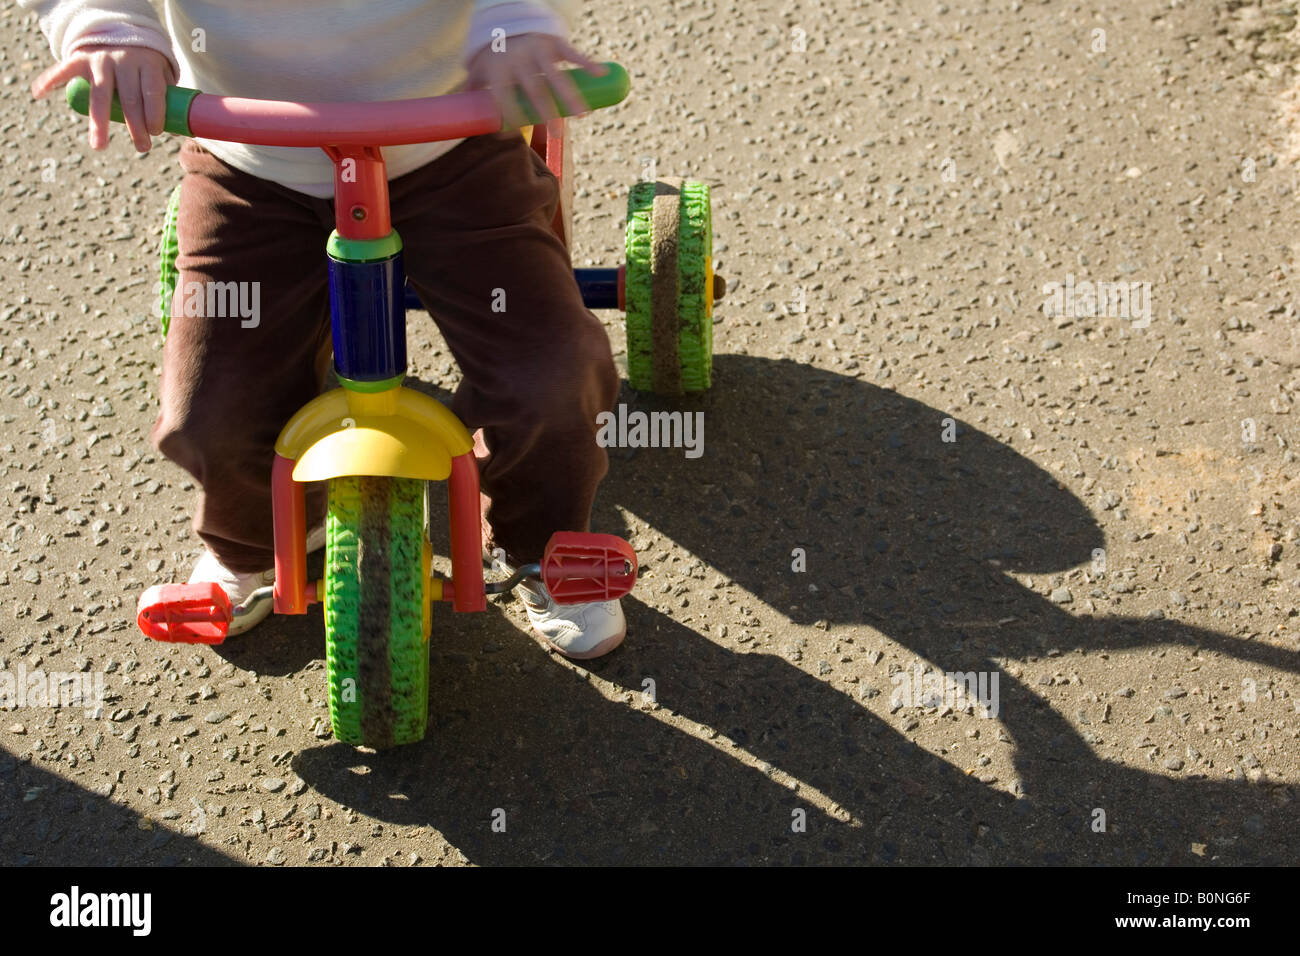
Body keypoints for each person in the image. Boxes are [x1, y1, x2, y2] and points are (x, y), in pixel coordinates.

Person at [24, 0, 626, 658]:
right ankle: (257, 535)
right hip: (252, 162)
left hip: (451, 143)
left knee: (553, 370)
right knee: (208, 407)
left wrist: (512, 27)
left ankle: (542, 540)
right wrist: (111, 29)